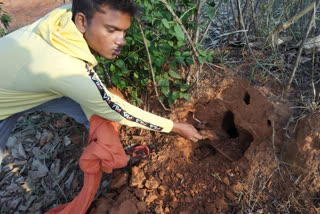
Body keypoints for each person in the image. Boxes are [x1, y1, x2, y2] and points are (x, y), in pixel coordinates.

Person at [0, 0, 202, 213]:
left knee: (91, 110)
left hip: (21, 81)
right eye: (111, 30)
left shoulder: (65, 17)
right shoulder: (65, 69)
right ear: (82, 22)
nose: (121, 40)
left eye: (124, 31)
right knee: (102, 107)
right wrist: (175, 126)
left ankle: (104, 146)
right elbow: (116, 109)